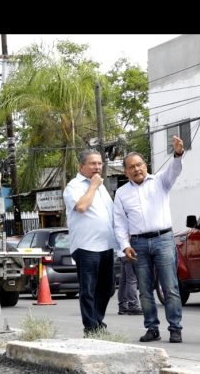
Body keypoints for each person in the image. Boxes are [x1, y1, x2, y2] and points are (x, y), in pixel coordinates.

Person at [113, 135, 185, 344]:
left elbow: (175, 170)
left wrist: (178, 154)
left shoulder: (160, 181)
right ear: (126, 172)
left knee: (169, 287)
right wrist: (125, 246)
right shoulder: (121, 193)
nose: (137, 169)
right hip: (138, 244)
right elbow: (119, 223)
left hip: (163, 239)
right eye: (132, 167)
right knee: (144, 290)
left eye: (139, 165)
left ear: (146, 165)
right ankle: (152, 328)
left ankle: (175, 328)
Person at [63, 149, 118, 338]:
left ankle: (97, 322)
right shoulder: (74, 186)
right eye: (92, 163)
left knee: (108, 287)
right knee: (88, 289)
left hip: (106, 245)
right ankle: (91, 327)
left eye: (99, 163)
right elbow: (81, 207)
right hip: (87, 246)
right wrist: (93, 186)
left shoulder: (101, 186)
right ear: (81, 166)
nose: (97, 167)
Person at [117, 251, 142, 315]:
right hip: (129, 253)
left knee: (123, 281)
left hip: (122, 254)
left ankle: (123, 306)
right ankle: (133, 306)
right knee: (131, 280)